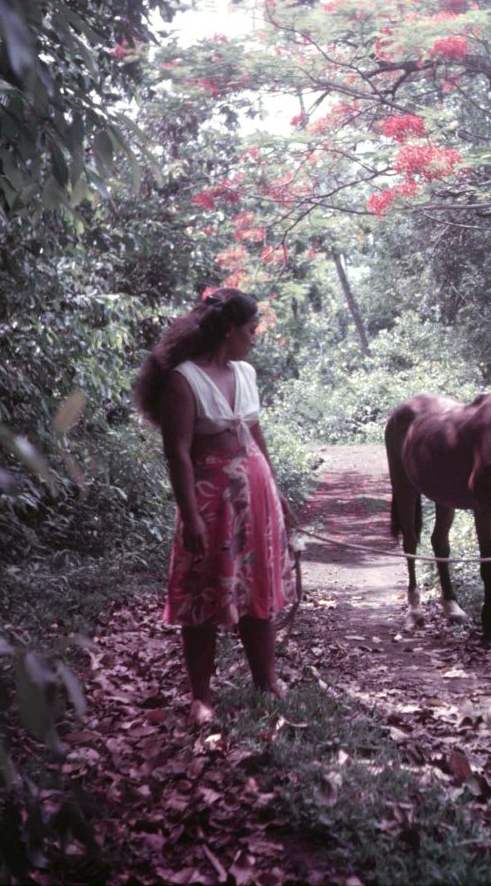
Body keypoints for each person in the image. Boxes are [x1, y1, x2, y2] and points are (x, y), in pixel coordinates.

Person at [133, 288, 297, 723]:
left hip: (255, 494)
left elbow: (255, 435)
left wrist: (276, 489)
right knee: (204, 595)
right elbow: (178, 453)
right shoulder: (183, 380)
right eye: (250, 330)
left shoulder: (246, 373)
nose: (255, 338)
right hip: (210, 500)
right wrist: (189, 515)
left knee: (257, 591)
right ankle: (201, 696)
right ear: (228, 330)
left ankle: (266, 680)